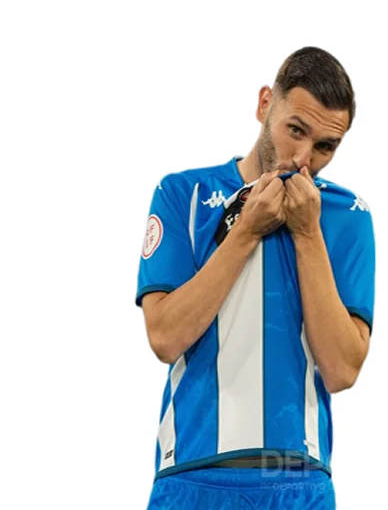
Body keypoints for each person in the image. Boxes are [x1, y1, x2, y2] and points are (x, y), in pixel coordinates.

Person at [135, 46, 375, 509]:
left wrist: (307, 233)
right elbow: (164, 337)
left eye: (325, 146)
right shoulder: (183, 194)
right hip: (193, 477)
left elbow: (342, 370)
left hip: (298, 480)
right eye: (295, 130)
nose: (303, 158)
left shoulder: (348, 215)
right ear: (266, 104)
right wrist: (246, 231)